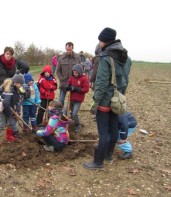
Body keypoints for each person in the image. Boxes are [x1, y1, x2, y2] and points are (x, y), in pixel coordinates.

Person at [83, 27, 132, 169]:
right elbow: (125, 80)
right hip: (118, 100)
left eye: (100, 40)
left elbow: (102, 82)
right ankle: (108, 155)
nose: (99, 43)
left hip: (105, 100)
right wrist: (121, 95)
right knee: (113, 128)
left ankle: (98, 162)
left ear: (105, 41)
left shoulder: (106, 57)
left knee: (103, 132)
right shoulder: (127, 58)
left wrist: (96, 100)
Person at [0, 72, 25, 147]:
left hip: (8, 108)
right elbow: (6, 103)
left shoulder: (15, 88)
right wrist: (10, 114)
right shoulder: (9, 90)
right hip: (1, 109)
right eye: (20, 84)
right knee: (2, 124)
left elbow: (16, 100)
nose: (21, 85)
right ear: (16, 82)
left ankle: (8, 136)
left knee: (11, 122)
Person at [0, 47, 17, 126]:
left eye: (10, 54)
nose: (8, 56)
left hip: (8, 88)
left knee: (7, 105)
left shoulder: (13, 63)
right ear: (4, 53)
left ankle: (7, 123)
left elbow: (13, 76)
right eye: (7, 54)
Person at [65, 64, 89, 133]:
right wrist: (67, 87)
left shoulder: (84, 78)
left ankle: (77, 125)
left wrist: (76, 88)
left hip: (78, 99)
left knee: (74, 113)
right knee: (65, 111)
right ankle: (63, 125)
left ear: (80, 72)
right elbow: (68, 84)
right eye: (74, 73)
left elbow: (86, 89)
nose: (75, 74)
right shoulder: (72, 77)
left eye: (76, 73)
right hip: (71, 98)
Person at [56, 42, 81, 106]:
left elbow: (80, 70)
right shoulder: (61, 58)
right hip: (63, 82)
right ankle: (60, 113)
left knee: (73, 100)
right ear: (65, 48)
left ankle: (71, 113)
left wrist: (77, 79)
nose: (68, 51)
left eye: (70, 50)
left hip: (74, 83)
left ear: (72, 48)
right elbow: (58, 71)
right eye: (67, 49)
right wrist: (62, 79)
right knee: (61, 99)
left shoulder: (77, 58)